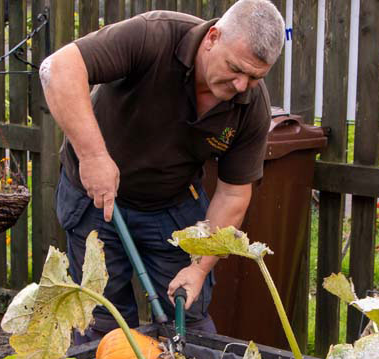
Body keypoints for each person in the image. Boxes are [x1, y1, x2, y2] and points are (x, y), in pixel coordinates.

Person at [39, 0, 285, 339]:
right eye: (235, 68)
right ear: (212, 38)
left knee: (187, 320)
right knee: (101, 324)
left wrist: (199, 268)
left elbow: (233, 193)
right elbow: (59, 69)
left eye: (255, 77)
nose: (241, 86)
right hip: (97, 199)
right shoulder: (154, 36)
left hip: (172, 206)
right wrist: (94, 156)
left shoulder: (250, 107)